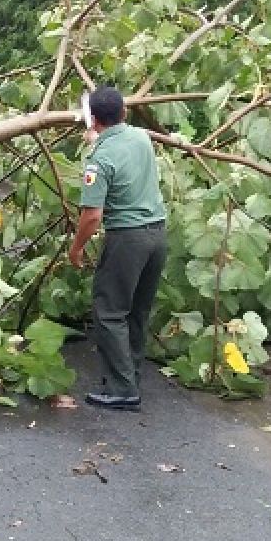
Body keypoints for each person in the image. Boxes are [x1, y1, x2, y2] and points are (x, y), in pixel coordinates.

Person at [68, 86, 169, 411]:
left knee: (109, 312)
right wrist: (97, 137)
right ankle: (130, 376)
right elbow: (117, 144)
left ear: (93, 120)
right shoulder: (141, 137)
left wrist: (77, 247)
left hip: (128, 239)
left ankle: (123, 390)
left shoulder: (99, 161)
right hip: (157, 236)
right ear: (124, 113)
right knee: (137, 311)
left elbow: (92, 216)